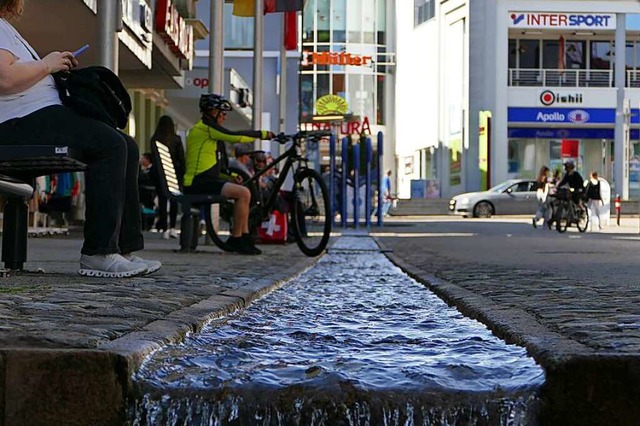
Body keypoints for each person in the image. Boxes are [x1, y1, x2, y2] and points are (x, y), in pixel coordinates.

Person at [0, 0, 160, 277]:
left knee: (127, 146)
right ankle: (99, 253)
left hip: (33, 117)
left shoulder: (7, 31)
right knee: (109, 144)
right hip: (16, 122)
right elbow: (5, 79)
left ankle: (121, 248)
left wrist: (53, 66)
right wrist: (47, 65)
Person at [183, 93, 275, 255]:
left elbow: (211, 166)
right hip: (197, 183)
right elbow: (234, 136)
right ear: (212, 111)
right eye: (222, 113)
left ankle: (244, 237)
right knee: (244, 193)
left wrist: (229, 177)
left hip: (203, 180)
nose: (224, 117)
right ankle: (237, 238)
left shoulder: (206, 129)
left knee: (243, 193)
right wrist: (263, 134)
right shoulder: (205, 128)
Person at [151, 115, 185, 239]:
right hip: (173, 174)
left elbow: (154, 159)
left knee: (162, 200)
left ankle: (164, 227)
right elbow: (181, 158)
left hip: (160, 174)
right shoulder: (176, 139)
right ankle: (172, 228)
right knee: (174, 200)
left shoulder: (155, 139)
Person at [138, 152, 158, 231]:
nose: (141, 160)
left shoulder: (152, 170)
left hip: (148, 192)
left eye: (142, 158)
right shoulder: (141, 169)